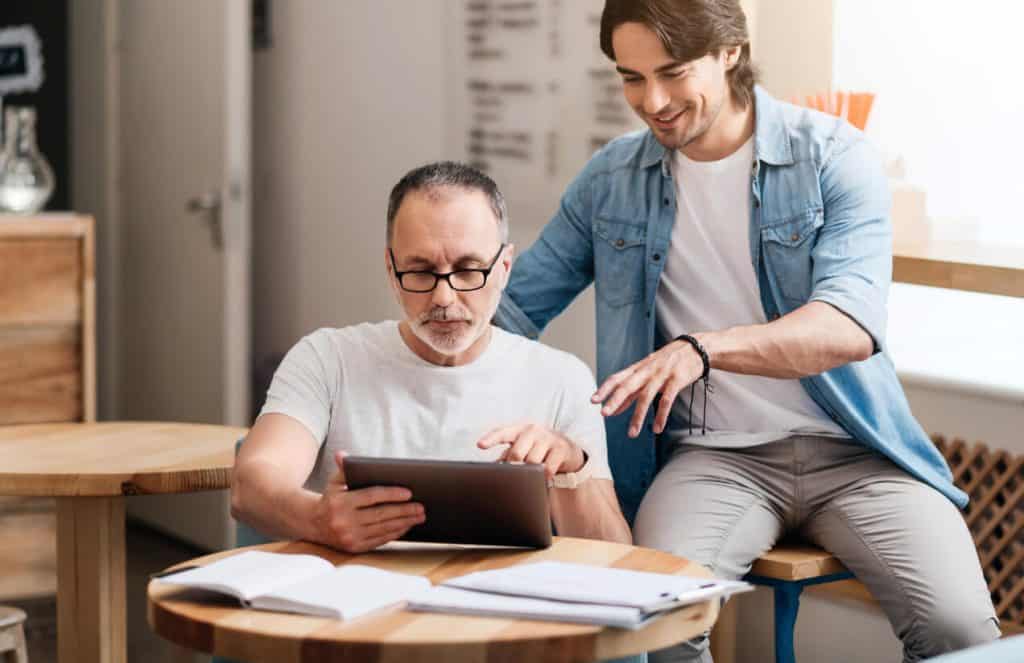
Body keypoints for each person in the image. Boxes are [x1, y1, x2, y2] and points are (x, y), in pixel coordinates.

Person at [493, 1, 1000, 660]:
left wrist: (702, 349)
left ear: (730, 50)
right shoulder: (610, 182)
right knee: (652, 625)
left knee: (961, 632)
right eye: (631, 77)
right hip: (711, 460)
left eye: (673, 72)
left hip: (856, 454)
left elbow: (846, 325)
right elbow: (511, 311)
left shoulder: (834, 156)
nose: (653, 100)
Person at [231, 161, 631, 556]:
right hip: (354, 608)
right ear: (391, 269)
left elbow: (615, 559)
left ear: (505, 268)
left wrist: (572, 467)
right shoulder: (327, 358)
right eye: (421, 272)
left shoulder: (562, 379)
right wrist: (318, 518)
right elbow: (252, 488)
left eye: (468, 270)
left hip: (498, 612)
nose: (444, 298)